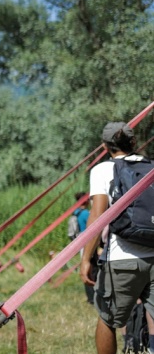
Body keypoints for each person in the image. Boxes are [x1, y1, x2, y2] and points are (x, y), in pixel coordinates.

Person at [81, 122, 154, 354]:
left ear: (105, 146)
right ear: (133, 143)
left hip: (121, 260)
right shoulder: (151, 167)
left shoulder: (102, 170)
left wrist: (86, 257)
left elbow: (97, 215)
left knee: (108, 320)